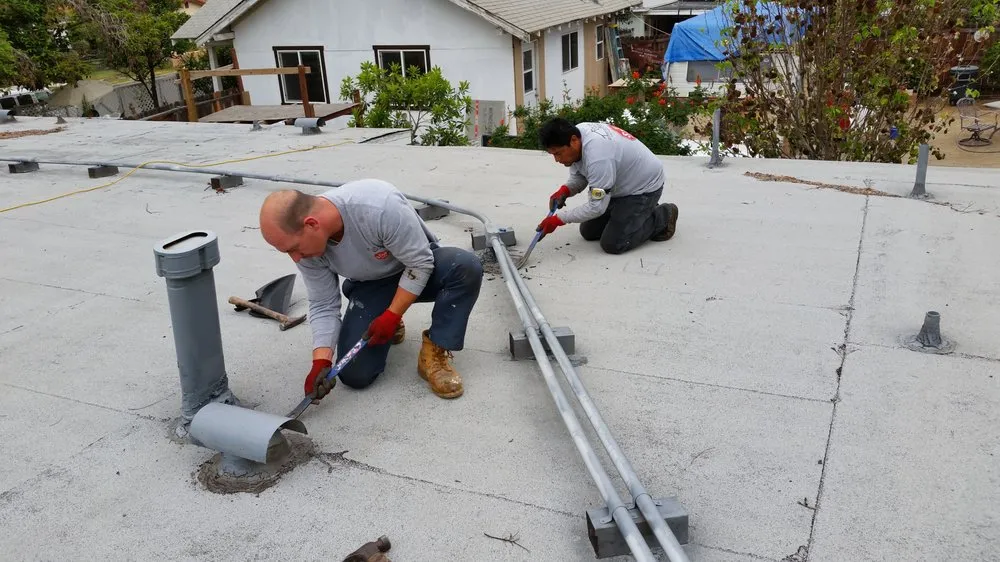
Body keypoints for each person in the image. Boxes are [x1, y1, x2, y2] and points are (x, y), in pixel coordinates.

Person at [258, 179, 484, 401]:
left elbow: (420, 263)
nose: (295, 258)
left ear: (311, 224)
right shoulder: (306, 251)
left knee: (465, 267)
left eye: (294, 248)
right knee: (356, 375)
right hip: (371, 283)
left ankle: (435, 349)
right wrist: (322, 361)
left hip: (419, 266)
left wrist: (391, 314)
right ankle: (385, 313)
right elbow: (323, 303)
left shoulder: (378, 207)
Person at [535, 118, 678, 254]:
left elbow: (596, 207)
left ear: (573, 140)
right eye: (553, 154)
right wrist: (565, 190)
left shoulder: (599, 156)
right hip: (619, 184)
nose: (557, 160)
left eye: (558, 153)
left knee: (614, 243)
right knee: (588, 232)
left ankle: (663, 214)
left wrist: (558, 220)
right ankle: (636, 213)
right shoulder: (577, 135)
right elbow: (580, 174)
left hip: (643, 189)